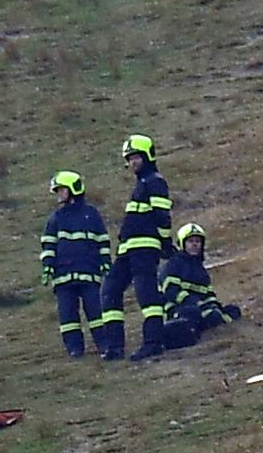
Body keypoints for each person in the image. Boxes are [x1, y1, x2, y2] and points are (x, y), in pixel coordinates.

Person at [101, 135, 174, 362]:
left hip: (145, 248)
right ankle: (114, 347)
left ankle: (153, 343)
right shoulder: (142, 183)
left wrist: (165, 243)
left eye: (137, 157)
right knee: (109, 291)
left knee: (147, 295)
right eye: (130, 158)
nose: (133, 162)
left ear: (148, 157)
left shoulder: (155, 181)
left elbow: (162, 216)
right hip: (128, 250)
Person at [40, 171, 111, 358]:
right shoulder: (56, 218)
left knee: (96, 312)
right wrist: (48, 265)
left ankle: (104, 344)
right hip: (63, 276)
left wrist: (105, 262)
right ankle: (74, 348)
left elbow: (102, 241)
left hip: (89, 273)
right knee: (68, 316)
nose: (59, 195)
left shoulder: (91, 214)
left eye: (61, 190)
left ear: (73, 190)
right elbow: (48, 244)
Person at [159, 223, 241, 350]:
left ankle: (209, 321)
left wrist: (215, 308)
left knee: (232, 310)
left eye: (198, 241)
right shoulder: (174, 264)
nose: (195, 244)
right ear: (182, 244)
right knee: (192, 313)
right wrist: (193, 302)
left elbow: (208, 294)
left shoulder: (200, 269)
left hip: (200, 308)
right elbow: (171, 291)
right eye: (191, 241)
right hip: (177, 309)